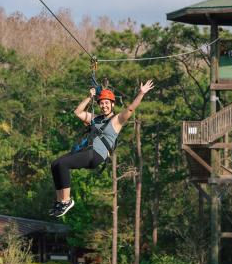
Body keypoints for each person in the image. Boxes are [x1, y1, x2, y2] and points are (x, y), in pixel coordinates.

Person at [50, 80, 154, 217]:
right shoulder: (96, 119)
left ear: (112, 104)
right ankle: (60, 201)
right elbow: (77, 112)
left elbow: (130, 109)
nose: (104, 106)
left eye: (107, 103)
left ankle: (67, 200)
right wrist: (89, 97)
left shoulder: (116, 120)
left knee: (63, 164)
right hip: (87, 151)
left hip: (96, 155)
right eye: (102, 103)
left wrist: (141, 93)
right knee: (55, 164)